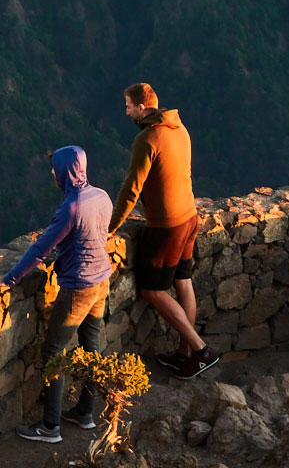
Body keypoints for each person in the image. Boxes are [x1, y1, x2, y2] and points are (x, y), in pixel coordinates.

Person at [0, 145, 114, 445]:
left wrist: (10, 278)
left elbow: (40, 249)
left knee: (53, 353)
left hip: (79, 286)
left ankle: (50, 426)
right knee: (91, 346)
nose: (52, 173)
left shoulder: (71, 207)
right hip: (103, 280)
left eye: (55, 168)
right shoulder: (101, 196)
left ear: (65, 170)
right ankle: (86, 414)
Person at [108, 81, 216, 380]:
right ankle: (185, 356)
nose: (126, 112)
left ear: (142, 106)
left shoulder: (148, 138)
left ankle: (200, 350)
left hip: (166, 226)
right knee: (183, 281)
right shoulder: (179, 128)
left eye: (129, 106)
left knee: (152, 290)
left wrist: (112, 227)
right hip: (189, 217)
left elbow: (132, 188)